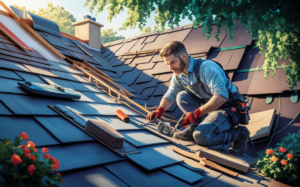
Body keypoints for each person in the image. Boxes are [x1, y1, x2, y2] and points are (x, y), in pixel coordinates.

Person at [146, 41, 250, 156]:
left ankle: (239, 133)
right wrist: (160, 110)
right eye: (167, 64)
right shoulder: (178, 75)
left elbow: (221, 97)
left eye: (172, 62)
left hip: (227, 108)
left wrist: (196, 113)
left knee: (201, 137)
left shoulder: (206, 68)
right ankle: (194, 126)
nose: (170, 67)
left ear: (184, 56)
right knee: (181, 96)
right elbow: (170, 95)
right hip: (209, 107)